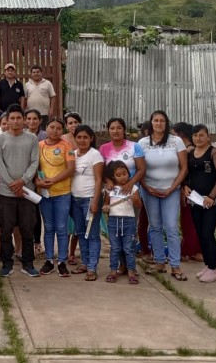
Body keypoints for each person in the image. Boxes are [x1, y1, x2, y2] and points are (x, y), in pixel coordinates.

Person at [0, 104, 41, 278]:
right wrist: (13, 184)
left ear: (24, 120)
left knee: (28, 229)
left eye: (18, 118)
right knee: (6, 230)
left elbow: (34, 162)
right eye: (11, 118)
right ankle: (7, 263)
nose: (15, 121)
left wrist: (22, 181)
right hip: (6, 193)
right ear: (7, 120)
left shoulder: (32, 139)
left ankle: (28, 263)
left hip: (27, 192)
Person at [139, 110, 189, 281]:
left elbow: (184, 168)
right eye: (155, 120)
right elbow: (140, 169)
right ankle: (160, 262)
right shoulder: (143, 143)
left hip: (171, 190)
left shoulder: (177, 141)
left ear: (166, 123)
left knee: (171, 227)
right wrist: (145, 186)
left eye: (162, 120)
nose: (159, 123)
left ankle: (175, 266)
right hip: (150, 191)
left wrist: (173, 187)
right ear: (151, 122)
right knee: (154, 226)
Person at [99, 117, 148, 263]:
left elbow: (141, 169)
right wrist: (108, 180)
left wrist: (130, 183)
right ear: (108, 130)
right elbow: (101, 172)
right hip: (113, 196)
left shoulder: (135, 146)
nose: (116, 131)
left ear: (124, 129)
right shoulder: (104, 149)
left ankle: (129, 264)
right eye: (112, 128)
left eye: (119, 127)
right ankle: (120, 264)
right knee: (116, 232)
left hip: (131, 195)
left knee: (130, 231)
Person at [183, 125, 216, 284]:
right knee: (200, 234)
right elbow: (186, 173)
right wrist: (185, 185)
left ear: (208, 137)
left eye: (201, 135)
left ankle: (213, 269)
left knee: (208, 233)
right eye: (195, 135)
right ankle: (208, 266)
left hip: (212, 201)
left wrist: (211, 196)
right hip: (195, 200)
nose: (198, 138)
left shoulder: (215, 153)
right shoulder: (190, 153)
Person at [37, 117, 76, 278]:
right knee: (48, 227)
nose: (55, 130)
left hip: (62, 193)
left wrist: (52, 180)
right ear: (46, 128)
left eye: (58, 128)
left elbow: (70, 169)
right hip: (45, 194)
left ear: (63, 130)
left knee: (61, 228)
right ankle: (49, 260)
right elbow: (34, 167)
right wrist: (38, 182)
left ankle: (61, 262)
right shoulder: (39, 146)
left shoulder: (67, 146)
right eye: (52, 127)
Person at [69, 125, 103, 279]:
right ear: (74, 138)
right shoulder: (72, 154)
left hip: (89, 199)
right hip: (75, 200)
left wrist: (95, 201)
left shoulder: (95, 155)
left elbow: (99, 179)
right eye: (79, 137)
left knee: (93, 234)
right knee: (81, 233)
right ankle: (84, 263)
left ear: (91, 139)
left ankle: (92, 267)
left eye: (85, 137)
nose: (82, 140)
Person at [102, 161, 142, 285]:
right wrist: (105, 208)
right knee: (115, 248)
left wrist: (135, 200)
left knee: (129, 248)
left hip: (129, 221)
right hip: (114, 221)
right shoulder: (110, 189)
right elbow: (106, 204)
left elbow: (139, 205)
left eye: (124, 173)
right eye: (118, 175)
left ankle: (131, 271)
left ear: (128, 173)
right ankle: (113, 270)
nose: (122, 177)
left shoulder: (133, 188)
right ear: (113, 177)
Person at [172, 122, 202, 263]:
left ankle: (187, 250)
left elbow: (185, 173)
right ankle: (192, 249)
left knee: (188, 222)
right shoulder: (192, 150)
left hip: (189, 191)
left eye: (173, 134)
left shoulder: (187, 151)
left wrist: (183, 187)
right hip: (194, 190)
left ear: (180, 134)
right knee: (192, 221)